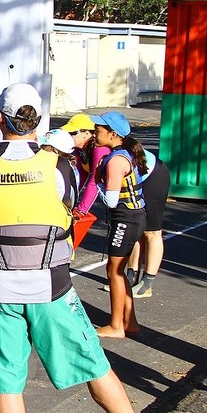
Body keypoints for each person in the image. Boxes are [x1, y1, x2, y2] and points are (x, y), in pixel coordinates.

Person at [0, 83, 172, 413]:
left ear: (0, 119)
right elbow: (70, 206)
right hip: (52, 285)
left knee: (8, 383)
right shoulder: (61, 168)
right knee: (92, 362)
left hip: (0, 287)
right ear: (38, 120)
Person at [91, 112, 147, 339]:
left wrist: (98, 183)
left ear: (113, 134)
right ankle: (130, 322)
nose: (95, 134)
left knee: (114, 271)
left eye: (98, 131)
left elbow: (111, 200)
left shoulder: (115, 161)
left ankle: (116, 325)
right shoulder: (125, 154)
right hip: (133, 217)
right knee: (119, 271)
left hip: (125, 218)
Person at [129, 148, 171, 298]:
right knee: (135, 229)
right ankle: (130, 278)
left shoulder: (99, 147)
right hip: (136, 179)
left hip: (154, 176)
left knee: (152, 232)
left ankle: (146, 284)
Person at [59, 113, 109, 218]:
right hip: (116, 186)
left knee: (148, 232)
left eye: (72, 133)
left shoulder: (99, 149)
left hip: (145, 177)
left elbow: (94, 180)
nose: (68, 136)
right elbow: (81, 175)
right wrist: (68, 201)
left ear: (86, 133)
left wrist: (81, 211)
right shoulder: (80, 148)